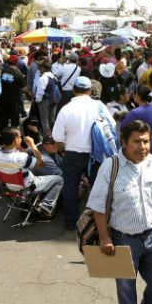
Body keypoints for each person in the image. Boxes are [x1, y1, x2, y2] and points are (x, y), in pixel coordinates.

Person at [87, 120, 152, 304]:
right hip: (123, 240)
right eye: (136, 142)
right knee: (126, 291)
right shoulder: (110, 167)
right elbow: (98, 205)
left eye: (146, 141)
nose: (142, 147)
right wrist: (104, 237)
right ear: (123, 142)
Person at [52, 76, 117, 230]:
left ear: (74, 91)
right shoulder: (99, 106)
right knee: (98, 188)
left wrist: (63, 150)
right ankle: (99, 221)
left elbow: (57, 138)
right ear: (89, 91)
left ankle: (70, 221)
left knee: (70, 188)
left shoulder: (66, 109)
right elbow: (112, 125)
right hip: (95, 156)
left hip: (72, 154)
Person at [0, 128, 63, 218]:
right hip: (29, 187)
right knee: (59, 179)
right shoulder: (21, 157)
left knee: (25, 171)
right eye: (20, 137)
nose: (21, 139)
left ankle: (25, 202)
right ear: (15, 139)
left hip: (8, 187)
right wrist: (33, 145)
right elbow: (41, 162)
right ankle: (46, 206)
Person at [0, 55, 25, 130]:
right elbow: (24, 88)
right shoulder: (18, 73)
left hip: (3, 99)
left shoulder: (3, 70)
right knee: (15, 121)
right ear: (16, 63)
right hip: (14, 101)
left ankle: (2, 135)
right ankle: (13, 137)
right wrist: (30, 96)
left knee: (3, 120)